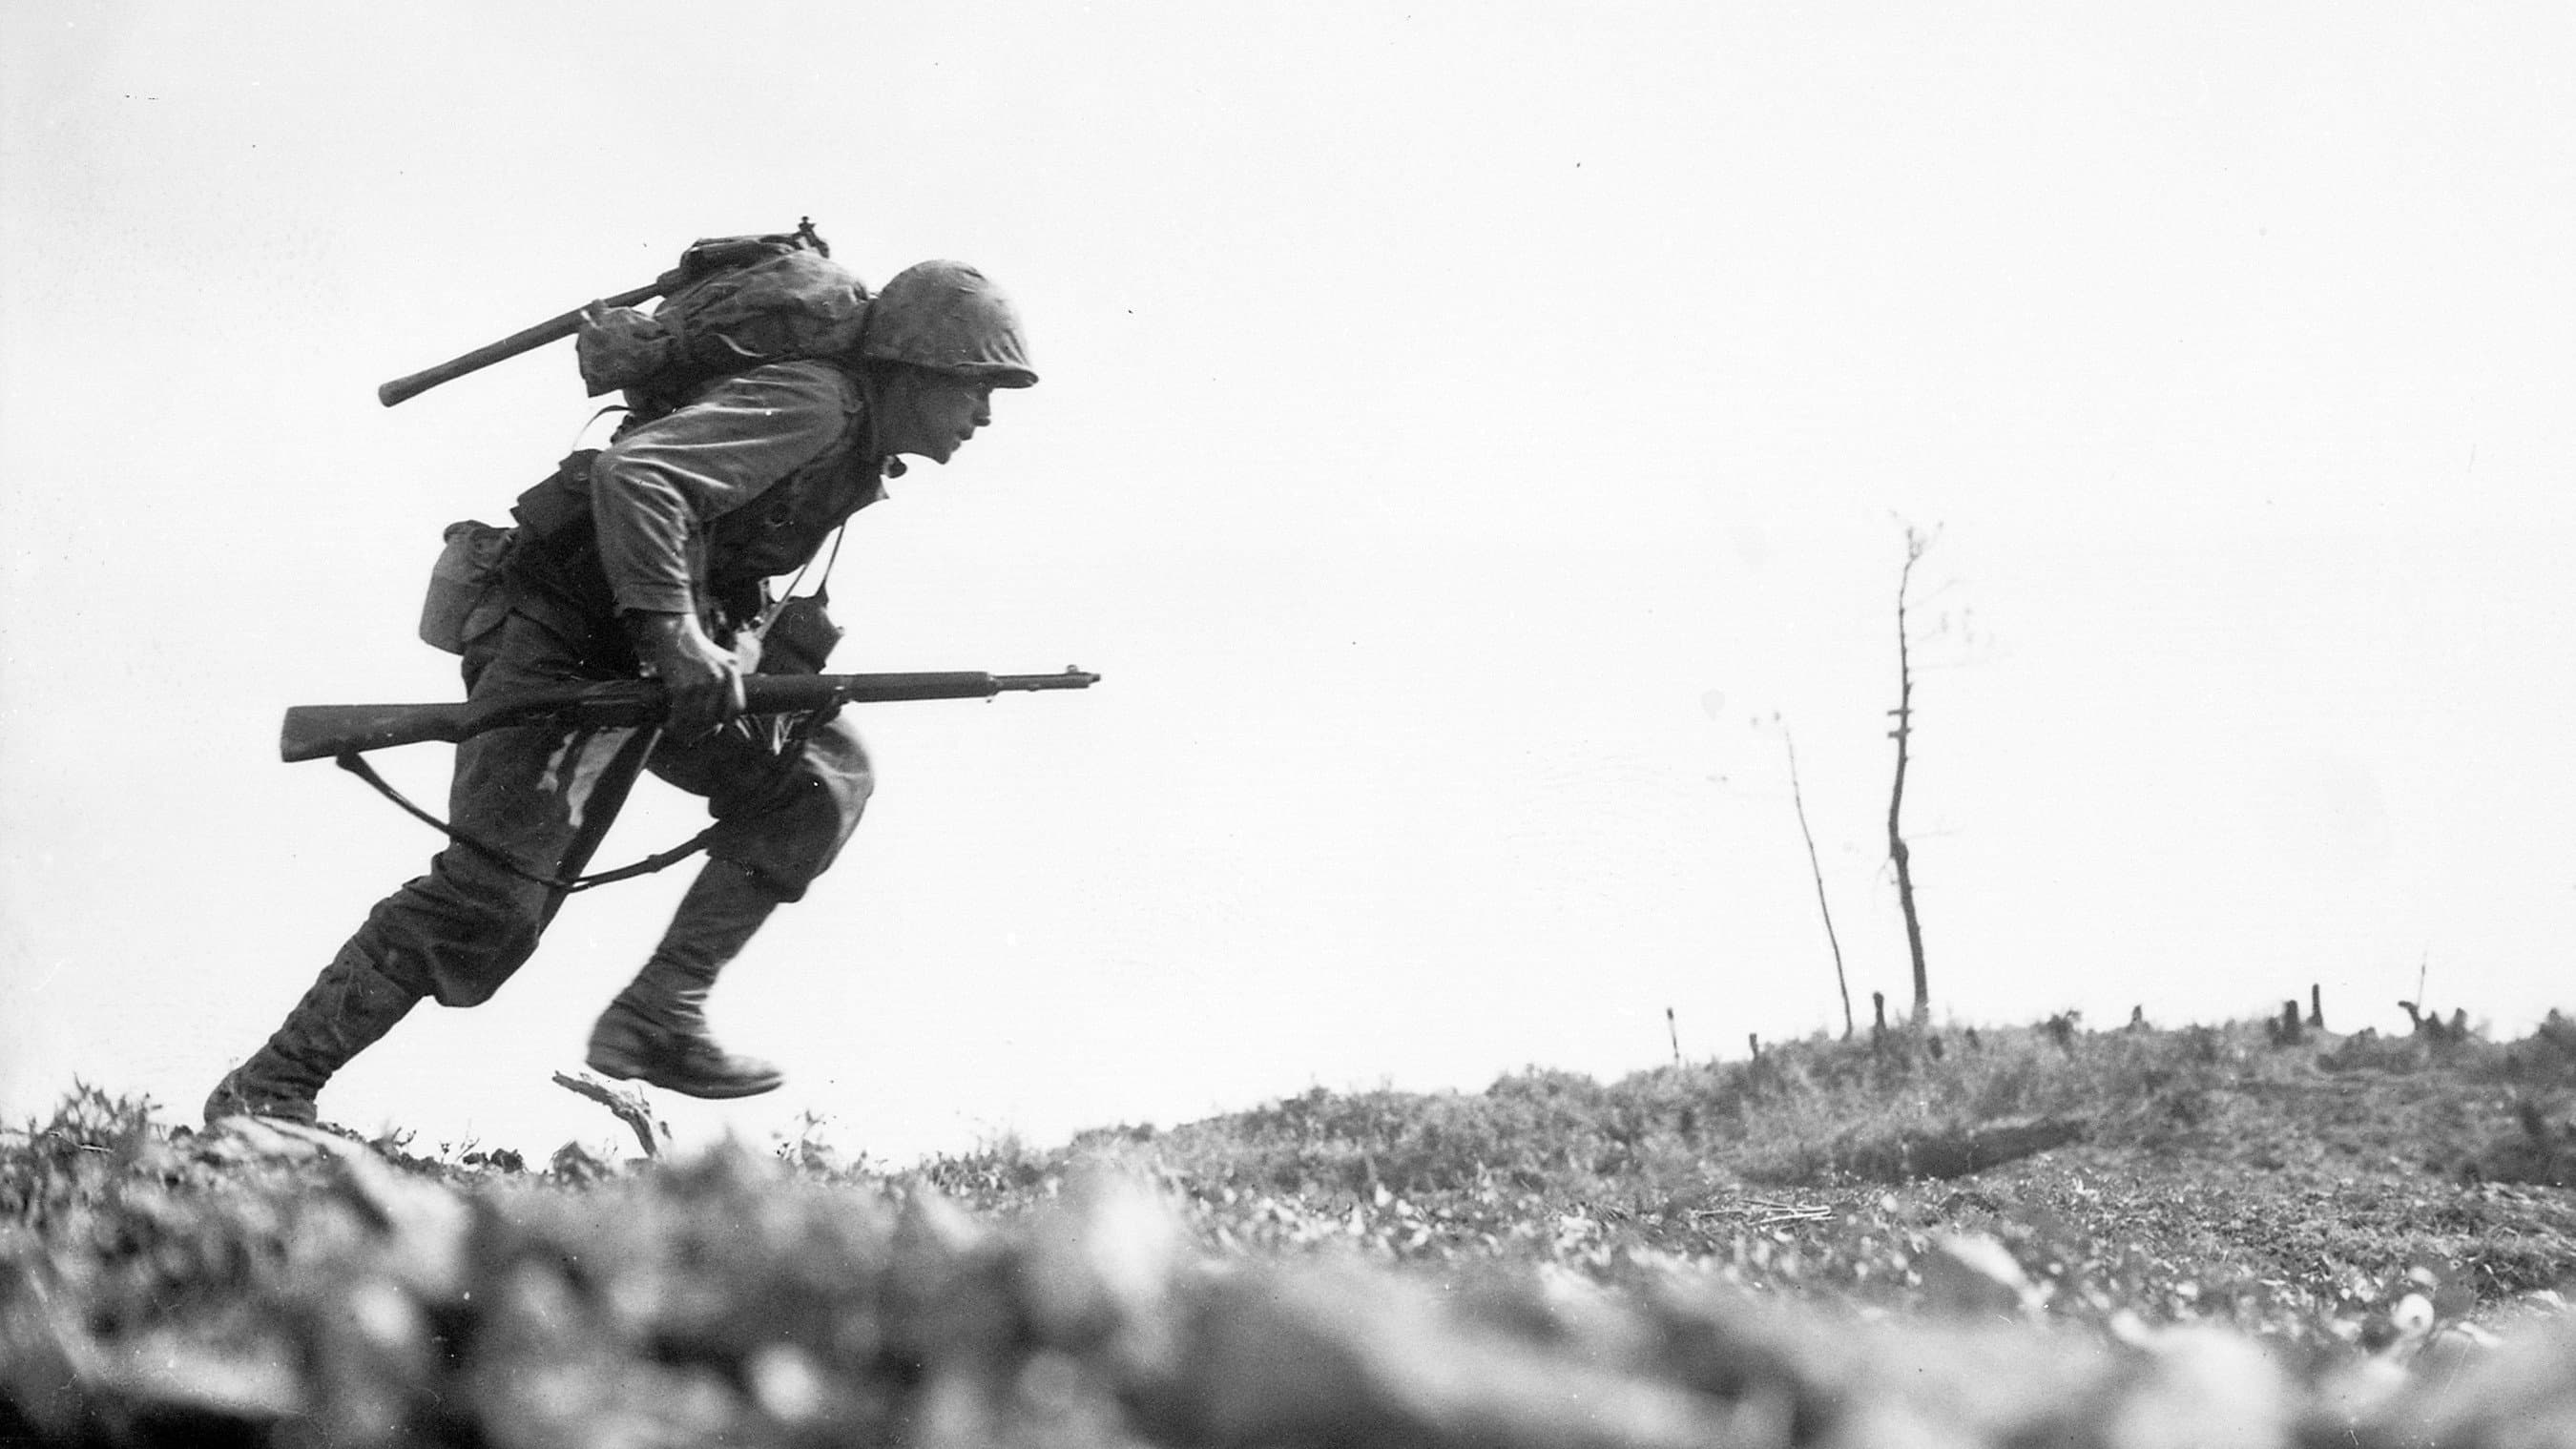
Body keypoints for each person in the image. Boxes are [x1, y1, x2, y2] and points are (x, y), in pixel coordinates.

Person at [203, 259, 1037, 1125]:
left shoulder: (854, 443)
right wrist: (677, 636)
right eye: (977, 388)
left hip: (643, 652)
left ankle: (659, 1012)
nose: (982, 414)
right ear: (918, 368)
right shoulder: (817, 405)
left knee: (821, 775)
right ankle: (269, 1089)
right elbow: (638, 477)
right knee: (489, 904)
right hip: (561, 633)